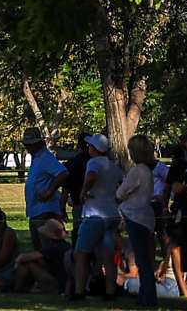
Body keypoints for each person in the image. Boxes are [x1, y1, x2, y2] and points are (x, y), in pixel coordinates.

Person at [75, 132, 122, 296]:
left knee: (80, 254)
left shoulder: (93, 162)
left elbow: (91, 176)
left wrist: (83, 192)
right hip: (112, 214)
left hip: (94, 214)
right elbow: (122, 183)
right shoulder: (113, 166)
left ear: (94, 148)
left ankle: (79, 291)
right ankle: (110, 291)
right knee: (108, 256)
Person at [120, 134, 162, 308]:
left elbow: (121, 192)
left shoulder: (137, 171)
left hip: (136, 216)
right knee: (146, 259)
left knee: (142, 260)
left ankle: (149, 297)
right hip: (146, 216)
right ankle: (146, 294)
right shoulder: (148, 170)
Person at [23, 126, 67, 253]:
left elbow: (63, 173)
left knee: (49, 250)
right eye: (26, 145)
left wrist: (49, 192)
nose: (27, 147)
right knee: (40, 250)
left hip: (46, 212)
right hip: (36, 211)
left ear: (39, 143)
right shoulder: (36, 157)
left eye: (30, 145)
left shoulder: (45, 157)